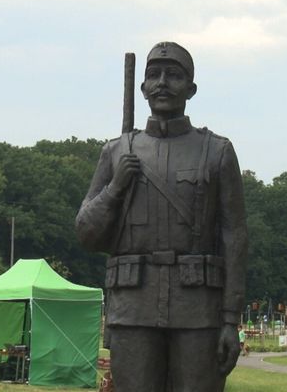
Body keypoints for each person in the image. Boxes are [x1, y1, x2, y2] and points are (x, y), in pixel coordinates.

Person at [76, 42, 248, 392]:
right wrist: (116, 187)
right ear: (142, 89)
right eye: (153, 75)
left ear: (191, 88)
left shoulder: (217, 152)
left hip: (198, 309)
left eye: (174, 75)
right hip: (133, 307)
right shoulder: (116, 151)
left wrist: (231, 320)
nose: (162, 83)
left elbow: (236, 237)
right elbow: (86, 233)